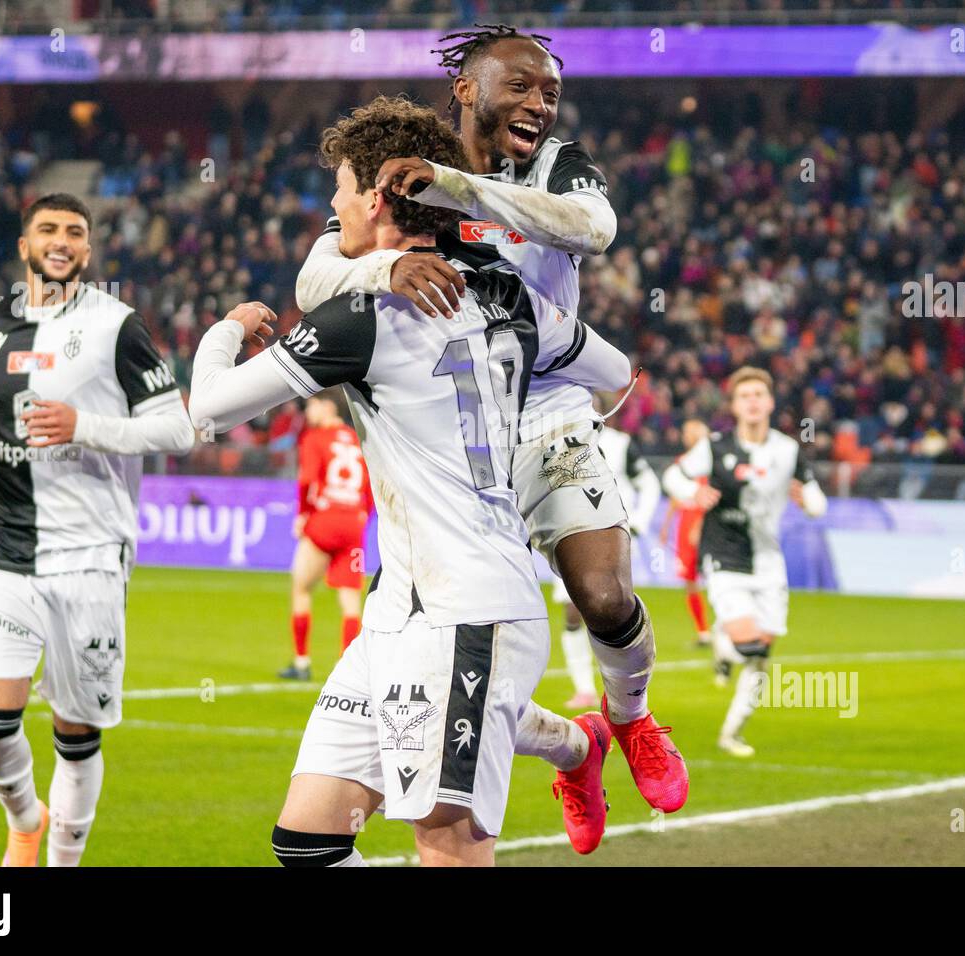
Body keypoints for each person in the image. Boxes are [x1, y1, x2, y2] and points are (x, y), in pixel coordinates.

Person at [188, 97, 631, 866]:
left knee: (449, 850)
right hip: (402, 605)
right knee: (307, 844)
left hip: (467, 609)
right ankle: (572, 741)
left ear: (376, 197)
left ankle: (565, 740)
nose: (332, 207)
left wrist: (229, 327)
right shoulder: (512, 296)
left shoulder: (362, 314)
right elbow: (612, 372)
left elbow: (209, 411)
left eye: (340, 190)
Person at [294, 27, 688, 847]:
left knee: (605, 596)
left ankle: (636, 719)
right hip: (439, 433)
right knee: (425, 648)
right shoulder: (405, 164)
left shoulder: (554, 164)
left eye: (549, 91)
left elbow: (592, 229)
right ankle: (576, 749)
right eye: (522, 87)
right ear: (468, 89)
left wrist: (463, 191)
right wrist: (384, 268)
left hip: (542, 405)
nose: (541, 103)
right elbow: (315, 275)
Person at [0, 193, 195, 866]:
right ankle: (25, 820)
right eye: (48, 230)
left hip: (89, 552)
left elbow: (177, 426)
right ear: (25, 246)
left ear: (87, 252)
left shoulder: (117, 325)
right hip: (3, 547)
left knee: (75, 730)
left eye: (75, 233)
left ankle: (61, 861)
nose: (61, 241)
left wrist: (84, 426)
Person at [662, 367, 827, 757]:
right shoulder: (715, 446)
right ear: (735, 406)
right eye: (744, 396)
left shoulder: (787, 450)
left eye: (759, 394)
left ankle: (731, 733)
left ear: (769, 402)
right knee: (749, 645)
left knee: (761, 656)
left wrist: (809, 502)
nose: (752, 401)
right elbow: (673, 476)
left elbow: (818, 500)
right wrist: (692, 494)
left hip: (769, 562)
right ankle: (722, 640)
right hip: (724, 557)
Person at [556, 397, 660, 710]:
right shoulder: (559, 445)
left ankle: (625, 695)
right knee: (574, 615)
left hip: (612, 541)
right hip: (572, 540)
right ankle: (585, 689)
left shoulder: (621, 445)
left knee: (611, 610)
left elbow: (651, 484)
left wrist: (639, 520)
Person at [281, 389, 373, 680]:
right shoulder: (359, 440)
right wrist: (363, 518)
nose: (308, 413)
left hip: (324, 521)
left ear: (325, 406)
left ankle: (301, 662)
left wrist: (303, 515)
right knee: (350, 602)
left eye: (310, 406)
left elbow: (306, 480)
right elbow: (371, 488)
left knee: (301, 587)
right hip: (354, 524)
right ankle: (348, 671)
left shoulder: (315, 438)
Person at [660, 417, 712, 647]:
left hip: (703, 521)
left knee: (714, 575)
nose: (686, 436)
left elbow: (710, 496)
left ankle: (726, 628)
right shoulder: (682, 463)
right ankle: (704, 633)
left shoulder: (709, 463)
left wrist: (700, 525)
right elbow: (675, 497)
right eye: (686, 432)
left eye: (691, 432)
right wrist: (666, 525)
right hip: (685, 521)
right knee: (689, 578)